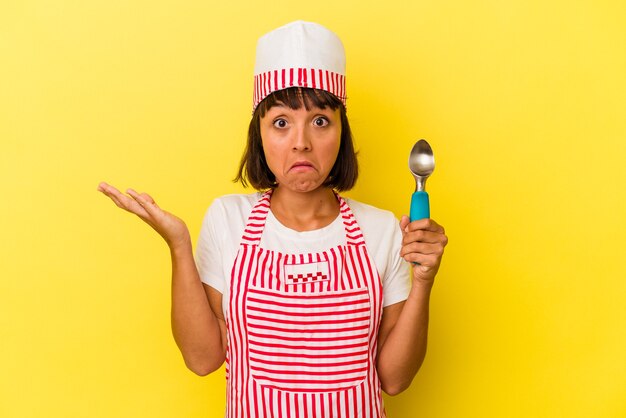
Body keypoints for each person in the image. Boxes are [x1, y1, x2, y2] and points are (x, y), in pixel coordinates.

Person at [98, 20, 447, 418]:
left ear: (341, 133)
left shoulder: (382, 230)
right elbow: (202, 359)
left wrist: (423, 281)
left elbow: (395, 379)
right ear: (259, 136)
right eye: (281, 122)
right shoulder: (228, 219)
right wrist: (178, 244)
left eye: (320, 120)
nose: (301, 141)